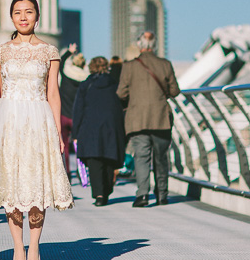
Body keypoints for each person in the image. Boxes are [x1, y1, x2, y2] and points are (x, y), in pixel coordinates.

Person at [0, 0, 73, 260]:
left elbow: (53, 93)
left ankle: (35, 246)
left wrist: (57, 132)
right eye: (18, 12)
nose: (23, 17)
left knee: (36, 188)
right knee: (12, 188)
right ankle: (18, 247)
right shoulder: (1, 51)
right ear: (11, 17)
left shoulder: (49, 51)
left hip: (38, 120)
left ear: (37, 16)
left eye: (28, 12)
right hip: (9, 120)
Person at [116, 31, 180, 207]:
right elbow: (175, 91)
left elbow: (121, 93)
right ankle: (162, 195)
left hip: (138, 119)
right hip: (161, 118)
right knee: (161, 158)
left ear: (139, 45)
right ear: (155, 46)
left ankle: (142, 195)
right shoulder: (165, 64)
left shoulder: (129, 66)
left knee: (141, 157)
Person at [72, 56, 126, 207]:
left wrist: (75, 133)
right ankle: (107, 190)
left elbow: (78, 110)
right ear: (106, 67)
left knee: (94, 161)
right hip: (111, 127)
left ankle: (99, 194)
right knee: (109, 159)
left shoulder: (85, 85)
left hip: (90, 129)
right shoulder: (115, 84)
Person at [59, 44, 88, 180]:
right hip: (78, 118)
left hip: (63, 115)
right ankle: (81, 171)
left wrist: (69, 52)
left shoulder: (66, 75)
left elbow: (60, 63)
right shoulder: (85, 80)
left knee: (63, 145)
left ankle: (66, 172)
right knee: (80, 145)